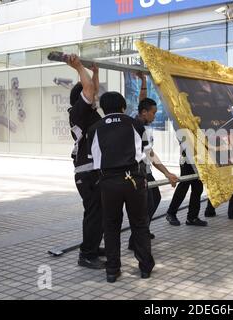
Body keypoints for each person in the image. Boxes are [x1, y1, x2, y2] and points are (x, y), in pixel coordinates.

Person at [87, 91, 155, 282]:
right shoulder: (137, 125)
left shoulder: (94, 129)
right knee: (140, 223)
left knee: (110, 226)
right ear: (123, 106)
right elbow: (146, 153)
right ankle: (145, 268)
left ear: (103, 108)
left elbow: (94, 161)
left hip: (108, 182)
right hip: (134, 180)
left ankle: (112, 270)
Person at [128, 73, 178, 248]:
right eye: (154, 113)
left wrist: (143, 81)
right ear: (144, 113)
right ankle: (137, 238)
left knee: (153, 198)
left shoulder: (141, 121)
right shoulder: (138, 125)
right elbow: (151, 155)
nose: (156, 116)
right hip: (139, 171)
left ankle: (142, 231)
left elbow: (143, 101)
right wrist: (167, 173)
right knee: (147, 203)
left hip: (145, 170)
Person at [67, 54, 104, 270]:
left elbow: (92, 89)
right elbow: (89, 90)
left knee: (96, 213)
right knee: (94, 213)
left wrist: (95, 73)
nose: (94, 93)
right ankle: (87, 255)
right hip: (87, 172)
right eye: (88, 90)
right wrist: (79, 67)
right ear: (81, 96)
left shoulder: (87, 111)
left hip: (93, 171)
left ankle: (91, 246)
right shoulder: (79, 112)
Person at [165, 151, 208, 227]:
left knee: (198, 187)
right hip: (186, 158)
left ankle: (192, 217)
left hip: (199, 158)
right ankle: (171, 213)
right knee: (184, 186)